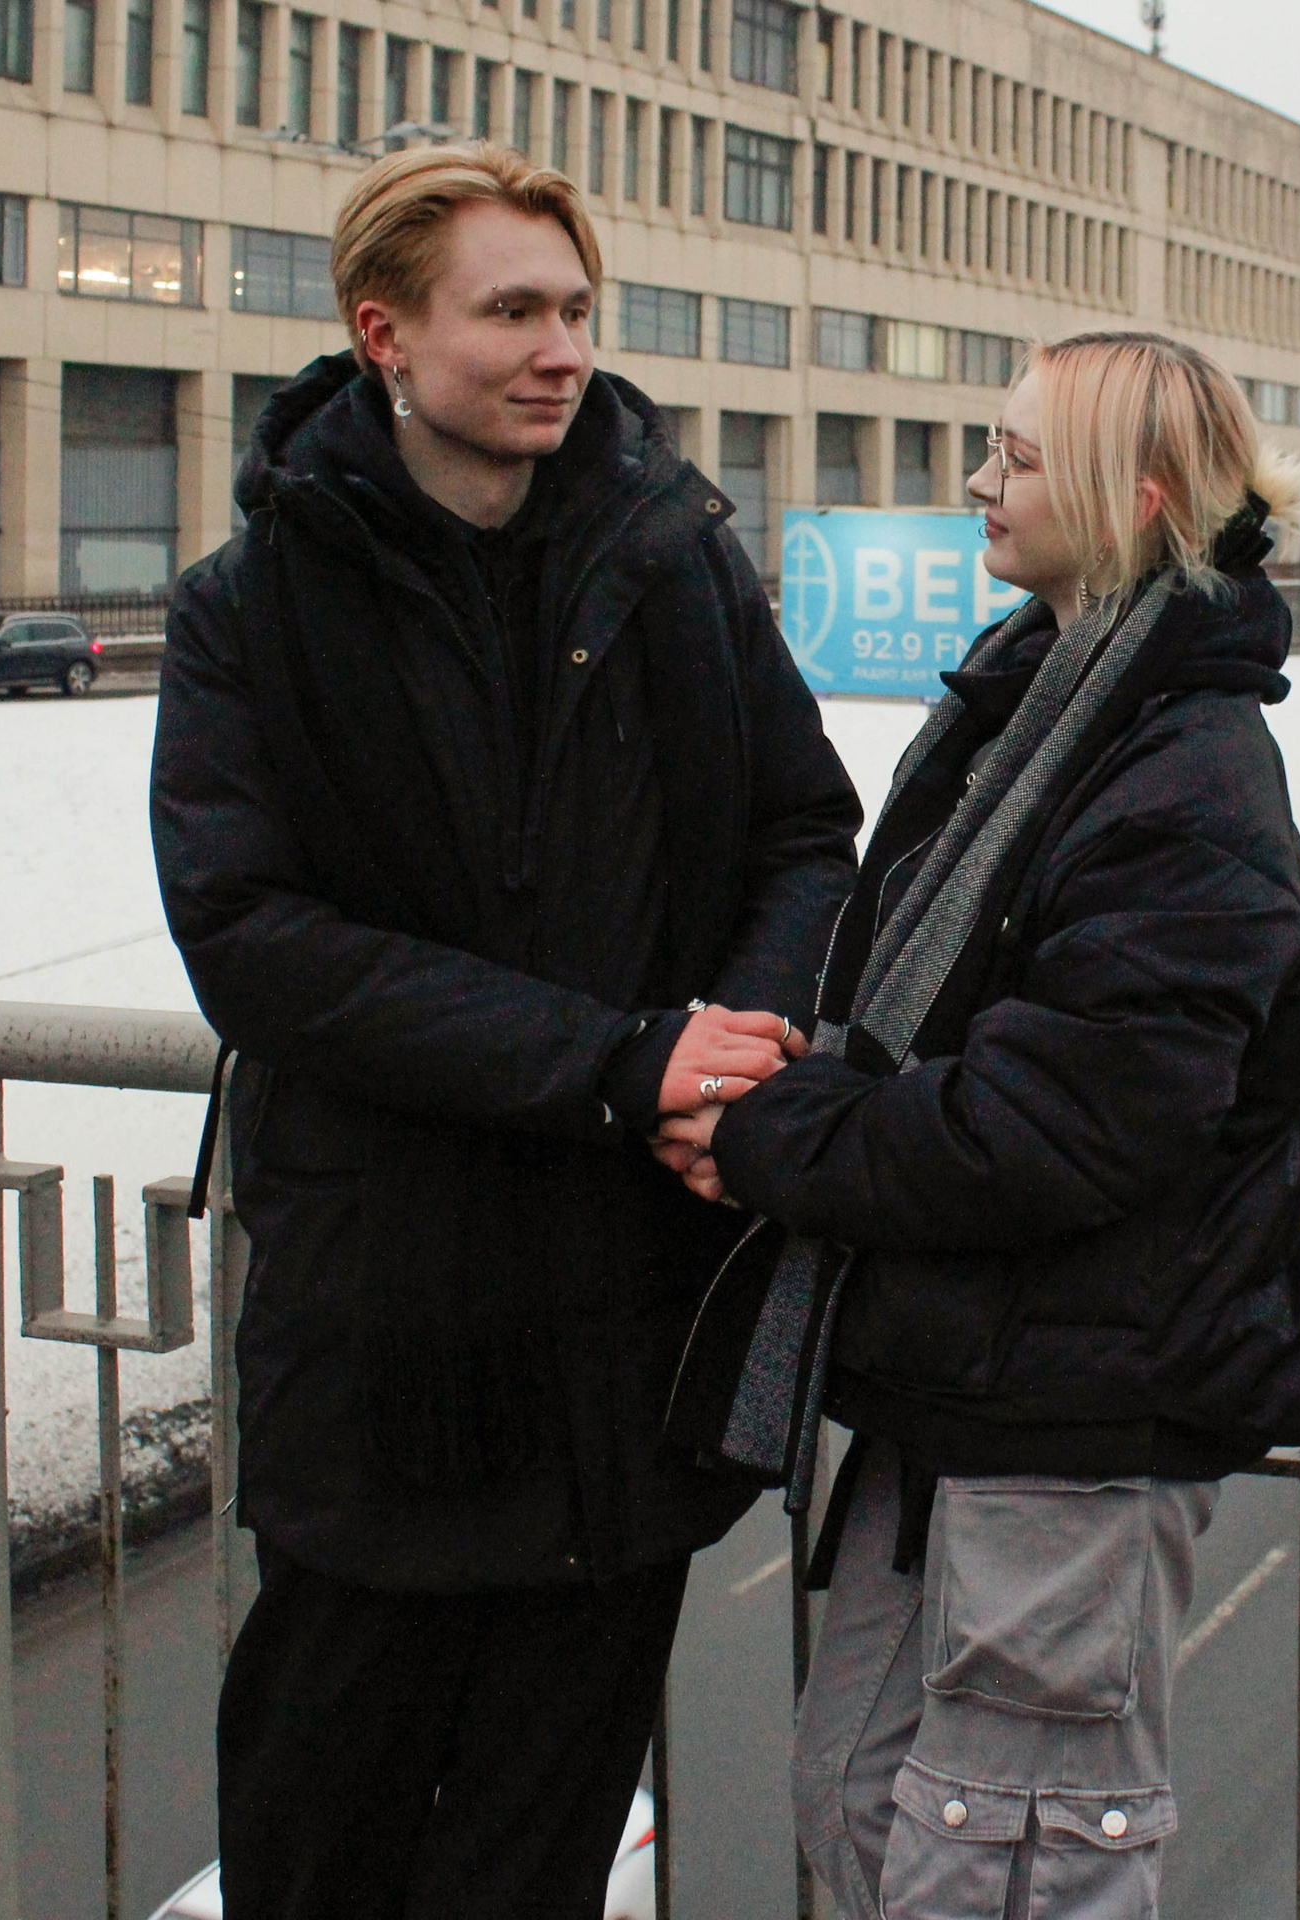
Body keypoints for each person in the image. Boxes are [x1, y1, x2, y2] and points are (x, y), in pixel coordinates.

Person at [149, 143, 860, 1918]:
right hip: (390, 1330)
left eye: (575, 311)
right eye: (514, 311)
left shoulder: (674, 564)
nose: (562, 350)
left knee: (535, 1864)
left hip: (624, 1345)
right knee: (322, 1850)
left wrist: (736, 1053)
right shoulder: (253, 610)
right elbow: (258, 945)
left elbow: (800, 829)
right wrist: (616, 1061)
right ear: (384, 332)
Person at [654, 332, 1300, 1918]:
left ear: (1135, 500)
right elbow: (931, 1023)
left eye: (1017, 456)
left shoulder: (1181, 771)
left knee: (1012, 1859)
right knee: (860, 1795)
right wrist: (806, 1089)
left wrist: (775, 1139)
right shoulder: (1040, 713)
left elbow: (1062, 1126)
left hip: (1079, 1410)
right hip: (966, 1385)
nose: (980, 485)